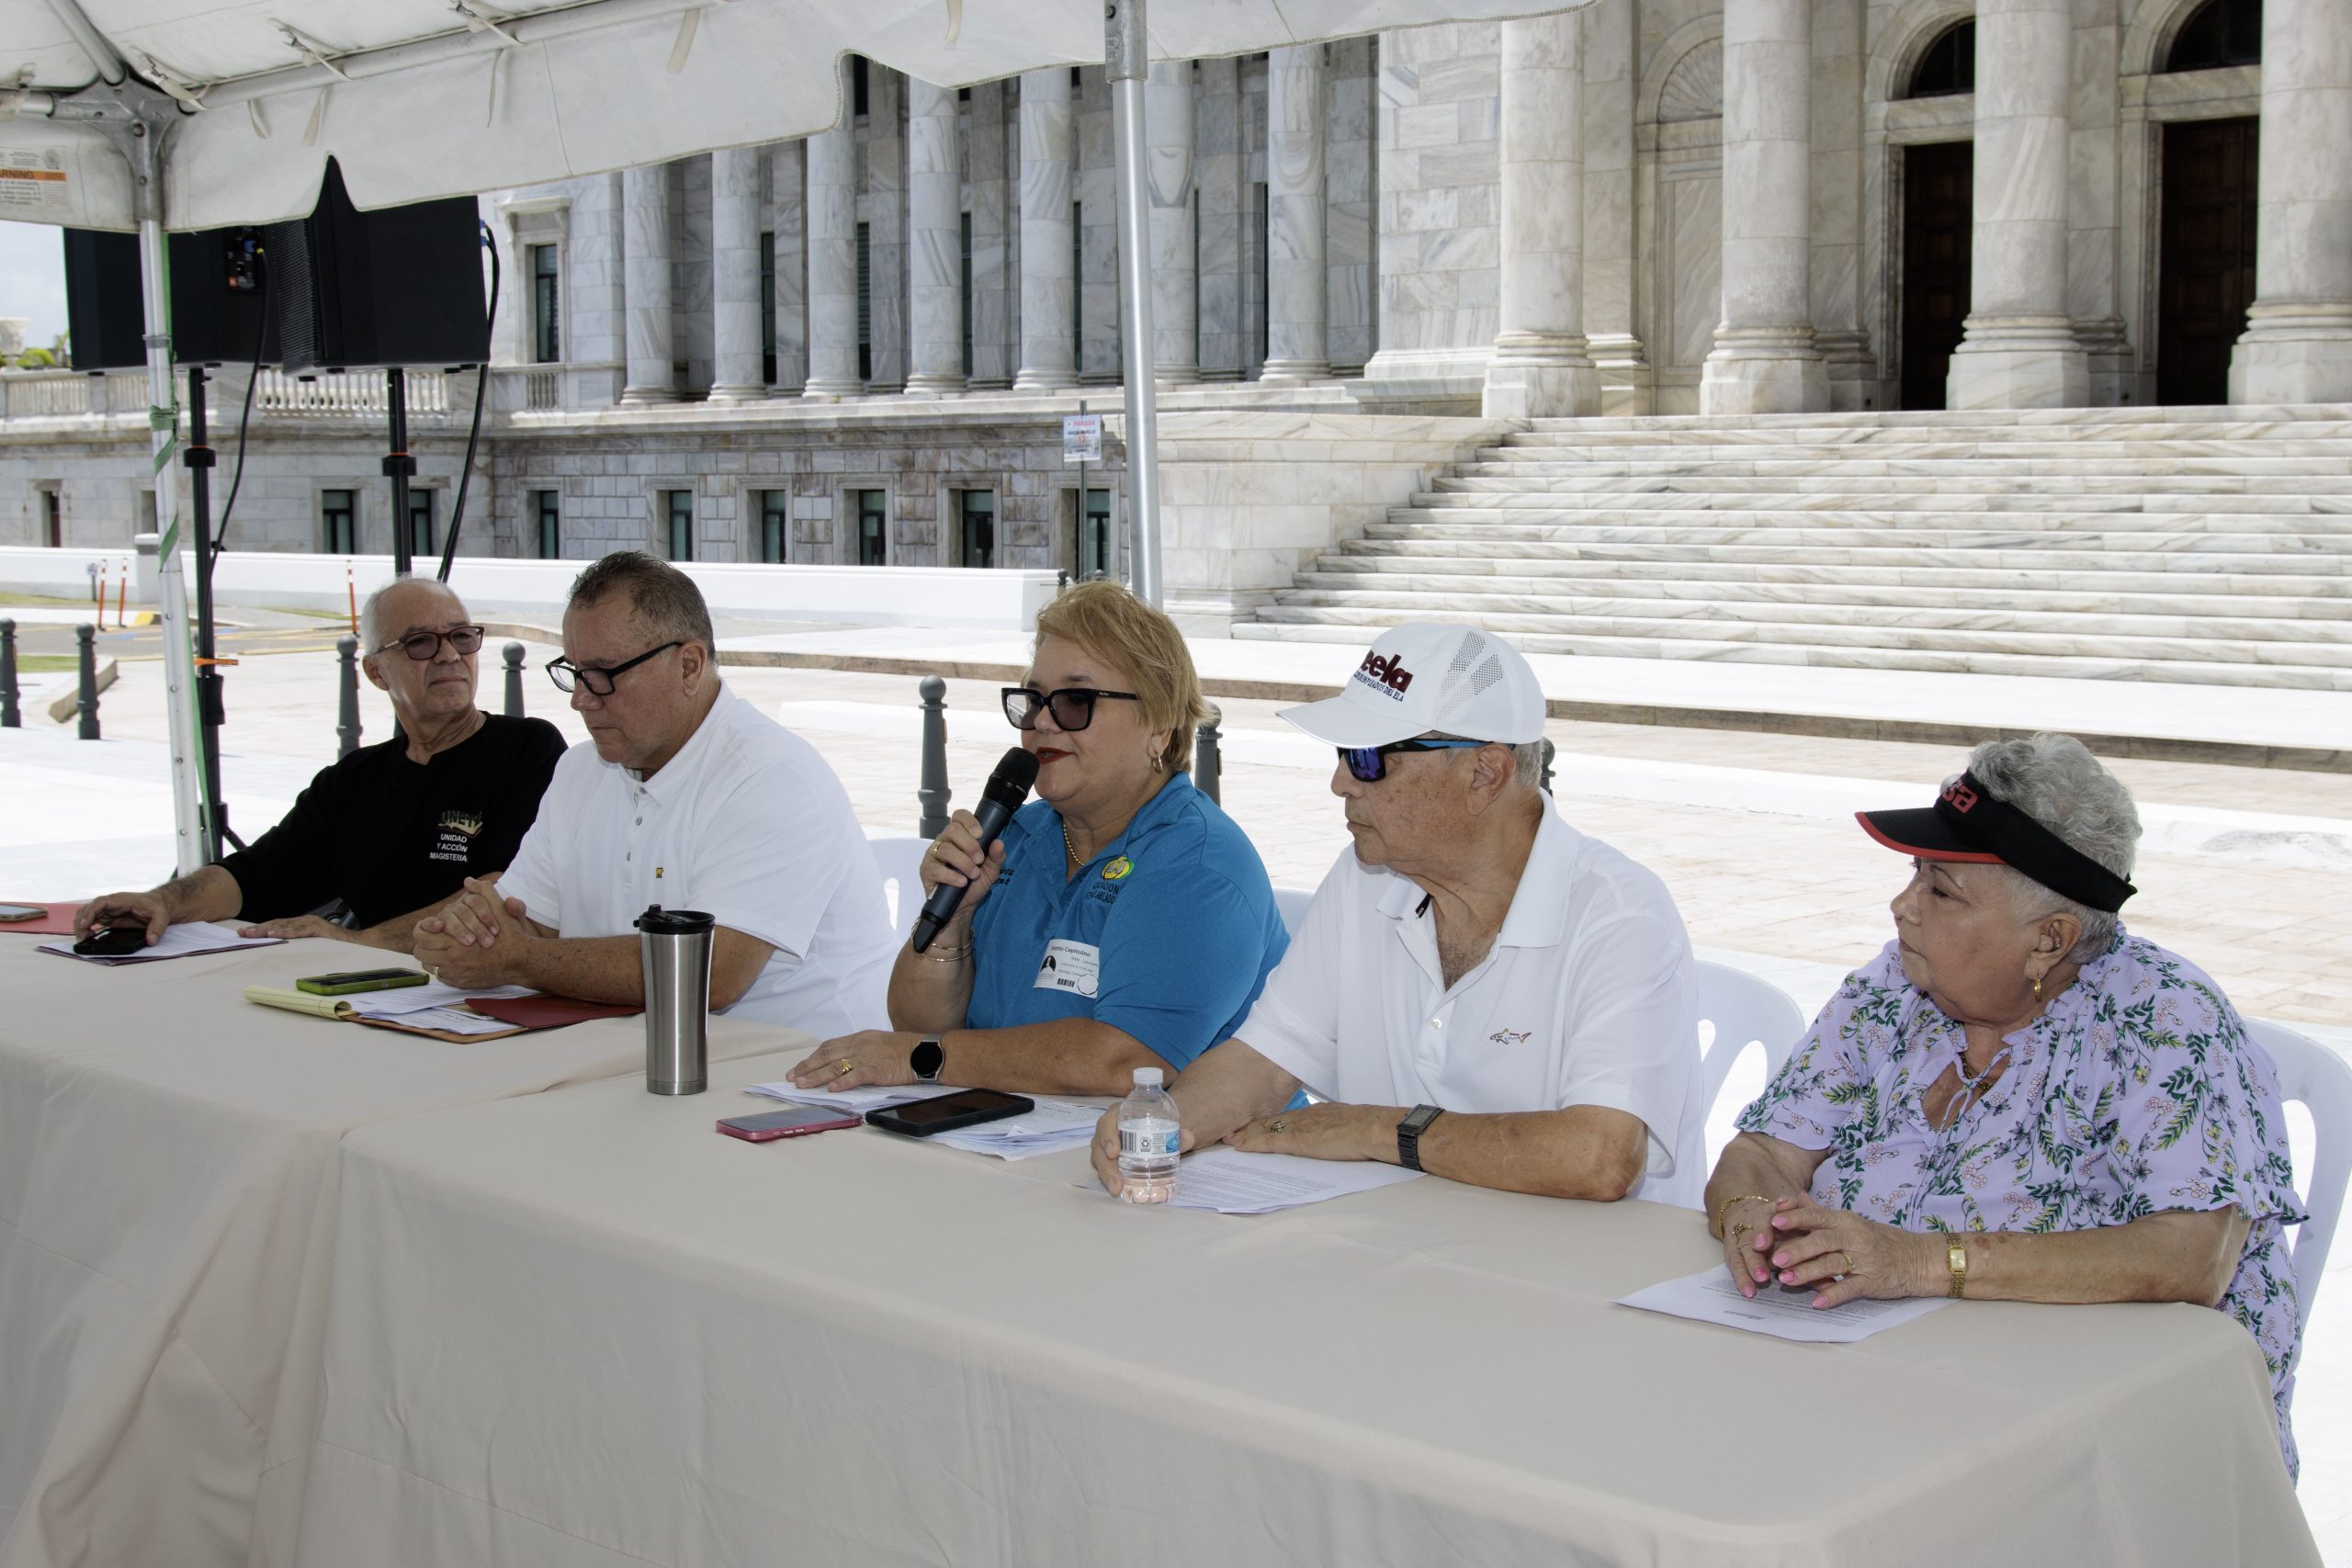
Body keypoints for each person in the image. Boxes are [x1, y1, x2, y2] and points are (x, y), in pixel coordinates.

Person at [1705, 734, 2304, 1474]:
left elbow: (2192, 1255)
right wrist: (1751, 1213)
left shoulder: (2165, 1019)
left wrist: (1922, 1260)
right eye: (1915, 874)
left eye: (1941, 891)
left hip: (2097, 1435)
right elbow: (1763, 1150)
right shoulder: (1895, 984)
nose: (1901, 907)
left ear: (2048, 940)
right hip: (1866, 1385)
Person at [1088, 623, 1704, 1205]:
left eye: (1367, 758)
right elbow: (1263, 1063)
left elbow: (1601, 1155)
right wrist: (1159, 1122)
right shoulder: (1362, 877)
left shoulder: (1620, 915)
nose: (1339, 782)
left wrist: (1380, 1132)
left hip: (1585, 1285)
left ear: (1483, 772)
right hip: (1403, 1252)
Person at [788, 581, 1289, 1094]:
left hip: (1179, 1162)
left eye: (1075, 701)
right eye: (1033, 700)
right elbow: (917, 1024)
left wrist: (922, 1058)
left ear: (1160, 725)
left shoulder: (1198, 864)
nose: (1042, 722)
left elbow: (1128, 1061)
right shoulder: (1016, 836)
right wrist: (951, 923)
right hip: (1009, 1137)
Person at [412, 551, 895, 1038]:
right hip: (633, 1057)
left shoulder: (772, 777)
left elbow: (709, 974)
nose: (581, 698)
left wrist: (517, 960)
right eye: (573, 672)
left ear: (689, 665)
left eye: (603, 675)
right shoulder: (581, 770)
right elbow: (524, 921)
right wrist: (466, 933)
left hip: (801, 1075)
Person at [71, 577, 565, 953]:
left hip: (477, 990)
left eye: (461, 636)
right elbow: (256, 874)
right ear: (375, 671)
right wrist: (162, 902)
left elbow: (507, 887)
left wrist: (359, 943)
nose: (449, 656)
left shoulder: (529, 749)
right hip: (365, 987)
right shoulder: (354, 779)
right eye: (420, 643)